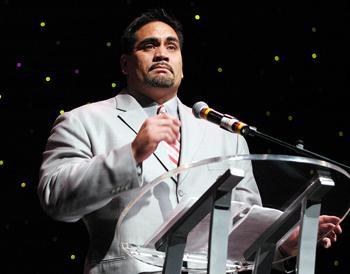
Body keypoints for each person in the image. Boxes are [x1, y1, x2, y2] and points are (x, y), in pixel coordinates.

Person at [37, 8, 342, 274]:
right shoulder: (84, 120)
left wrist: (280, 245)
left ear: (182, 66)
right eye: (149, 45)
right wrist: (131, 155)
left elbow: (243, 227)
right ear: (125, 64)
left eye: (172, 46)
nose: (162, 53)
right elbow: (56, 198)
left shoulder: (225, 134)